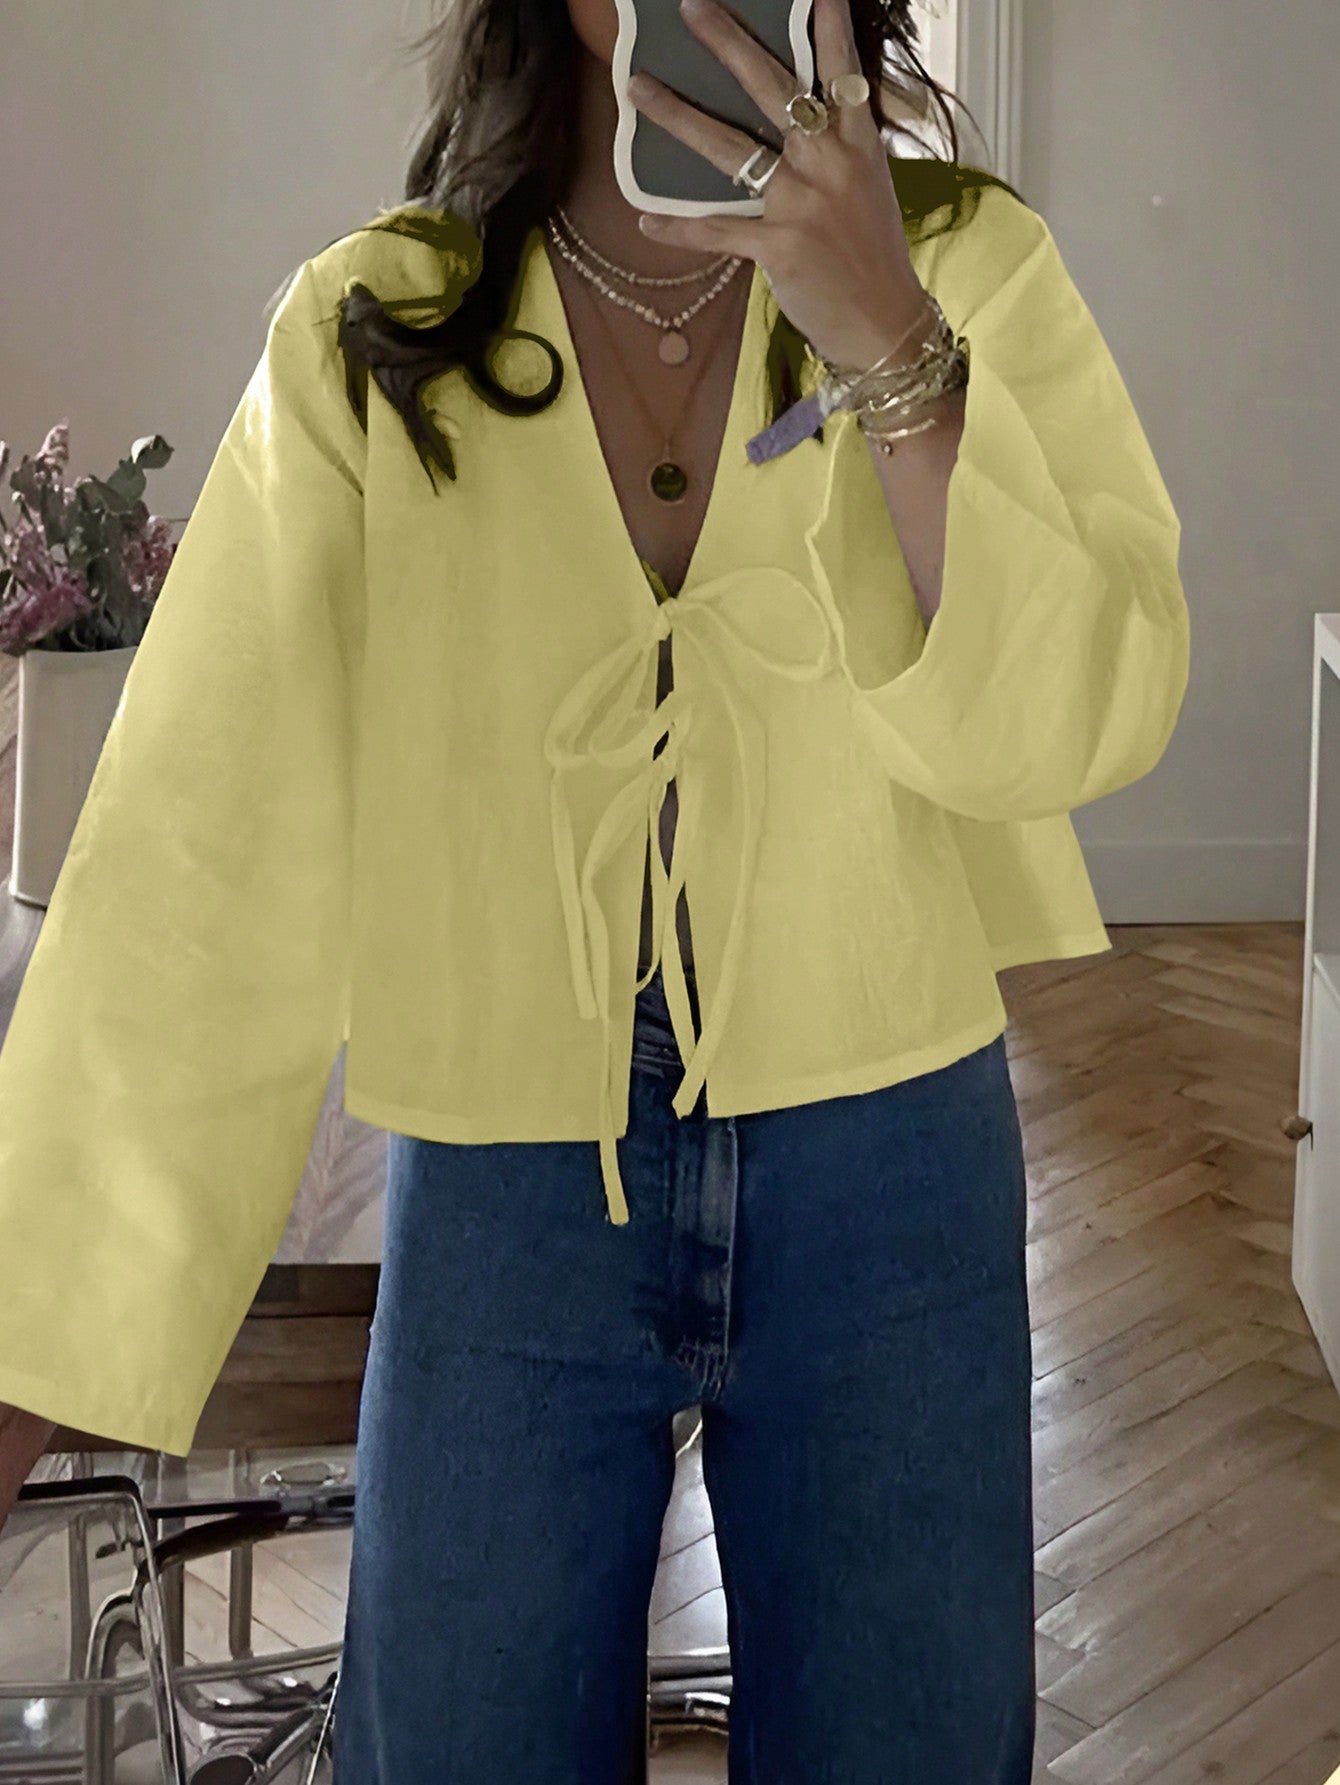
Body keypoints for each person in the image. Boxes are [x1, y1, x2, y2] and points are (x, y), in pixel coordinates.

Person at [0, 0, 1190, 1776]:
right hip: (508, 1185)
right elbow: (197, 865)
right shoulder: (369, 334)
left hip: (893, 1158)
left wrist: (890, 341)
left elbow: (1085, 713)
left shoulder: (968, 268)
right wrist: (26, 1349)